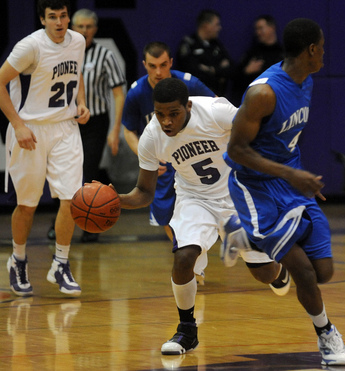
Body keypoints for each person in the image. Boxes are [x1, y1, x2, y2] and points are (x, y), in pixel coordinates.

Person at [118, 77, 290, 355]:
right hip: (194, 198)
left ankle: (278, 271)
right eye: (160, 114)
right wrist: (117, 201)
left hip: (236, 193)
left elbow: (259, 131)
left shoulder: (215, 111)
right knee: (184, 257)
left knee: (263, 273)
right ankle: (186, 330)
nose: (166, 122)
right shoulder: (151, 137)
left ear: (187, 106)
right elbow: (144, 191)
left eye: (173, 114)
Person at [222, 18, 345, 366]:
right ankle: (327, 335)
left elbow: (286, 140)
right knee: (304, 273)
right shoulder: (264, 92)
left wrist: (301, 179)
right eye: (322, 47)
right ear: (311, 50)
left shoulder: (306, 81)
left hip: (290, 185)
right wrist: (292, 175)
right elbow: (236, 150)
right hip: (255, 187)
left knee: (322, 271)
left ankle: (246, 238)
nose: (324, 53)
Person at [0, 0, 90, 297]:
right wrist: (18, 125)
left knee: (72, 199)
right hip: (31, 130)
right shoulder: (30, 47)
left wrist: (80, 102)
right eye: (53, 17)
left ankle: (61, 263)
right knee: (27, 205)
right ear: (42, 19)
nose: (60, 22)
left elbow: (77, 74)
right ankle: (18, 259)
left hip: (65, 128)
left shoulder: (77, 40)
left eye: (63, 16)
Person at [122, 41, 215, 243]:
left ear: (171, 62)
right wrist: (144, 155)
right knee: (165, 216)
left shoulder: (190, 84)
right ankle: (182, 251)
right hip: (164, 160)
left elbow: (216, 108)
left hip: (194, 156)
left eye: (163, 65)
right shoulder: (137, 92)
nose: (158, 71)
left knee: (207, 210)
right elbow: (129, 130)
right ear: (144, 65)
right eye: (153, 66)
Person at [68, 8, 127, 242]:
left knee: (88, 170)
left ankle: (89, 225)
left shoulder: (104, 55)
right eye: (80, 26)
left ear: (96, 28)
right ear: (73, 28)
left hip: (95, 121)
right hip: (68, 122)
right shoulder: (64, 54)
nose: (84, 31)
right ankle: (63, 221)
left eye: (89, 26)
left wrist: (115, 130)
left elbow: (119, 94)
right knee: (66, 174)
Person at [176, 9, 233, 97]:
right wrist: (218, 72)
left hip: (217, 96)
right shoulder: (189, 44)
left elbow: (230, 68)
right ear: (206, 25)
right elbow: (192, 72)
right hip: (194, 96)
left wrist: (210, 69)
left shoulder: (216, 44)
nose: (219, 28)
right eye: (217, 24)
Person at [232, 15, 284, 104]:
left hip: (277, 103)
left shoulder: (283, 54)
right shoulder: (252, 54)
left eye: (261, 28)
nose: (258, 32)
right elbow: (236, 79)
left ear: (272, 28)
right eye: (256, 29)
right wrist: (246, 72)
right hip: (253, 103)